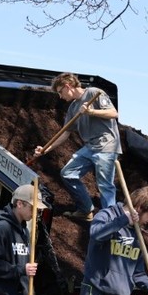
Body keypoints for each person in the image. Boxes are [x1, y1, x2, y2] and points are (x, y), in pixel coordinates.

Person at [33, 72, 120, 221]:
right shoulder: (73, 108)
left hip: (106, 146)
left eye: (60, 92)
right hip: (90, 147)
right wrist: (45, 150)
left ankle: (109, 222)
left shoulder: (93, 92)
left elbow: (113, 113)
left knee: (105, 187)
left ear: (68, 86)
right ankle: (86, 210)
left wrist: (91, 111)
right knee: (68, 173)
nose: (61, 96)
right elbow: (65, 133)